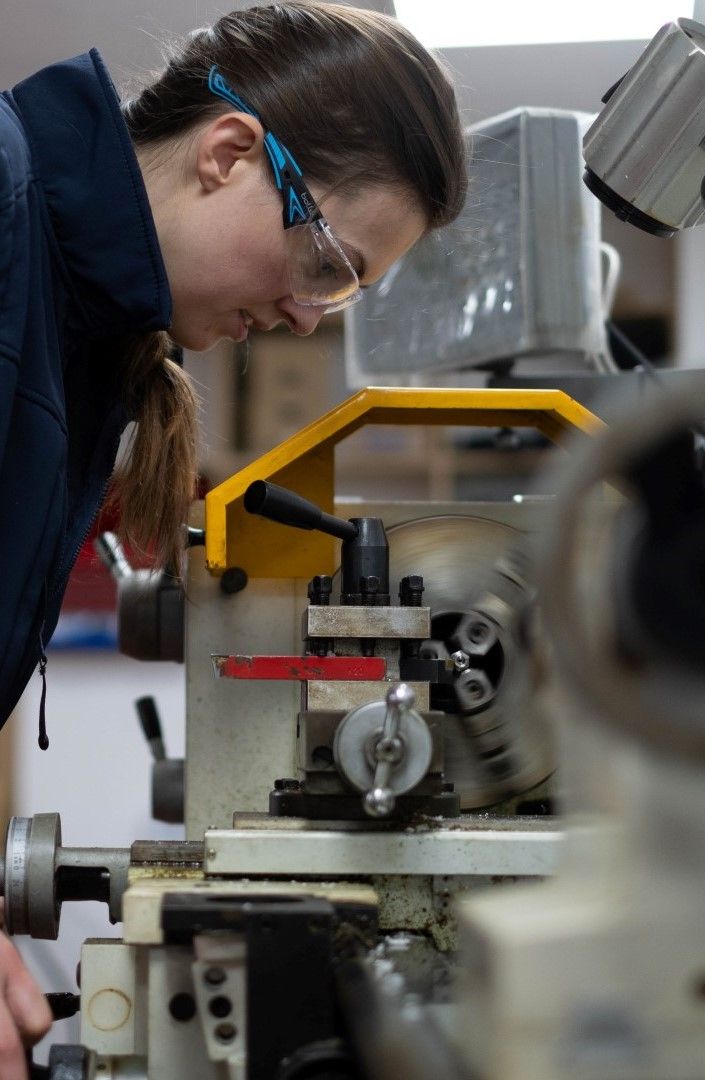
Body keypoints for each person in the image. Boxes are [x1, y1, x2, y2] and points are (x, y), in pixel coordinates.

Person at [0, 2, 467, 1073]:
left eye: (343, 295)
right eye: (328, 266)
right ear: (229, 155)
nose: (312, 319)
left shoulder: (91, 331)